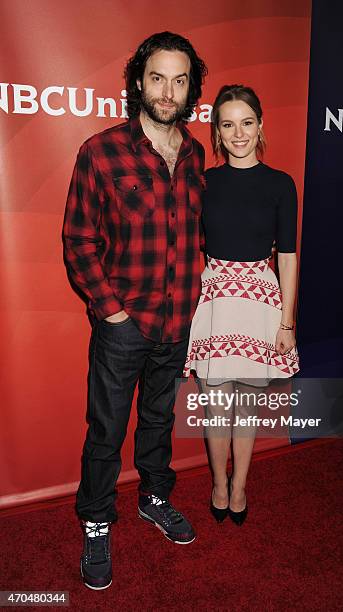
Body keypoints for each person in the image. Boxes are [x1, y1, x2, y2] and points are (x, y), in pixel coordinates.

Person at [62, 31, 207, 590]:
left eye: (180, 79)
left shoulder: (196, 156)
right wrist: (112, 312)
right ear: (138, 82)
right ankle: (96, 521)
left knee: (159, 421)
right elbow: (78, 239)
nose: (168, 91)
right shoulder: (101, 151)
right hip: (124, 325)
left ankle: (154, 498)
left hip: (180, 323)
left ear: (191, 86)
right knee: (106, 430)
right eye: (157, 78)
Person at [184, 84, 300, 526]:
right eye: (228, 125)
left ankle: (240, 485)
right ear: (217, 131)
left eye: (246, 123)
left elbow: (287, 257)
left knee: (247, 405)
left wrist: (287, 323)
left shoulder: (280, 185)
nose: (238, 134)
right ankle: (217, 482)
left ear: (260, 126)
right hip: (215, 303)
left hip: (261, 303)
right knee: (215, 405)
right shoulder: (205, 183)